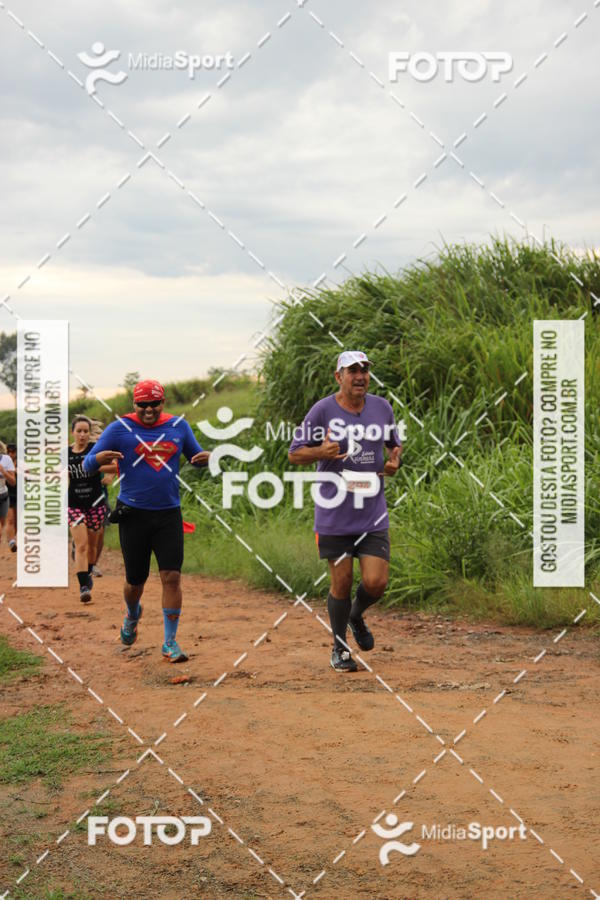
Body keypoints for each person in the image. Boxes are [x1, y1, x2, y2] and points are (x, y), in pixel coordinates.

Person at [288, 351, 403, 672]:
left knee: (376, 582)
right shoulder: (322, 411)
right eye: (352, 370)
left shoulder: (382, 407)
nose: (360, 376)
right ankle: (339, 649)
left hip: (372, 512)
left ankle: (355, 615)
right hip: (334, 513)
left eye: (364, 370)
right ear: (338, 376)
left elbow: (394, 444)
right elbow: (294, 455)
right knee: (341, 581)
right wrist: (319, 452)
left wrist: (395, 460)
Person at [83, 379, 209, 663]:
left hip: (168, 514)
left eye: (155, 403)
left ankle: (169, 642)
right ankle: (132, 613)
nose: (149, 409)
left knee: (172, 577)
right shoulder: (120, 429)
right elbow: (87, 463)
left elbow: (195, 456)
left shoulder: (178, 426)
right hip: (133, 515)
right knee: (134, 581)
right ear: (134, 404)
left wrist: (207, 459)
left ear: (163, 403)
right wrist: (97, 458)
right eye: (143, 404)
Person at [69, 416, 115, 602]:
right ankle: (83, 587)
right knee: (81, 545)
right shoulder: (65, 454)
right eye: (79, 431)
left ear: (89, 433)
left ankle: (88, 570)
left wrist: (107, 474)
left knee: (93, 547)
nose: (82, 435)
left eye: (85, 431)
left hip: (95, 503)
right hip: (74, 504)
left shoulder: (96, 451)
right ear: (72, 432)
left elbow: (115, 463)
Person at [0, 441, 16, 548]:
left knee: (5, 522)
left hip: (3, 495)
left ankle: (11, 540)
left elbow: (13, 482)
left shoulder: (6, 460)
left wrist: (3, 472)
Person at [5, 443, 17, 552]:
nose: (10, 454)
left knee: (17, 520)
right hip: (7, 494)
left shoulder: (20, 463)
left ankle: (14, 537)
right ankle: (11, 541)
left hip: (18, 494)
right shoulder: (4, 463)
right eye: (9, 452)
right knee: (10, 519)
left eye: (12, 452)